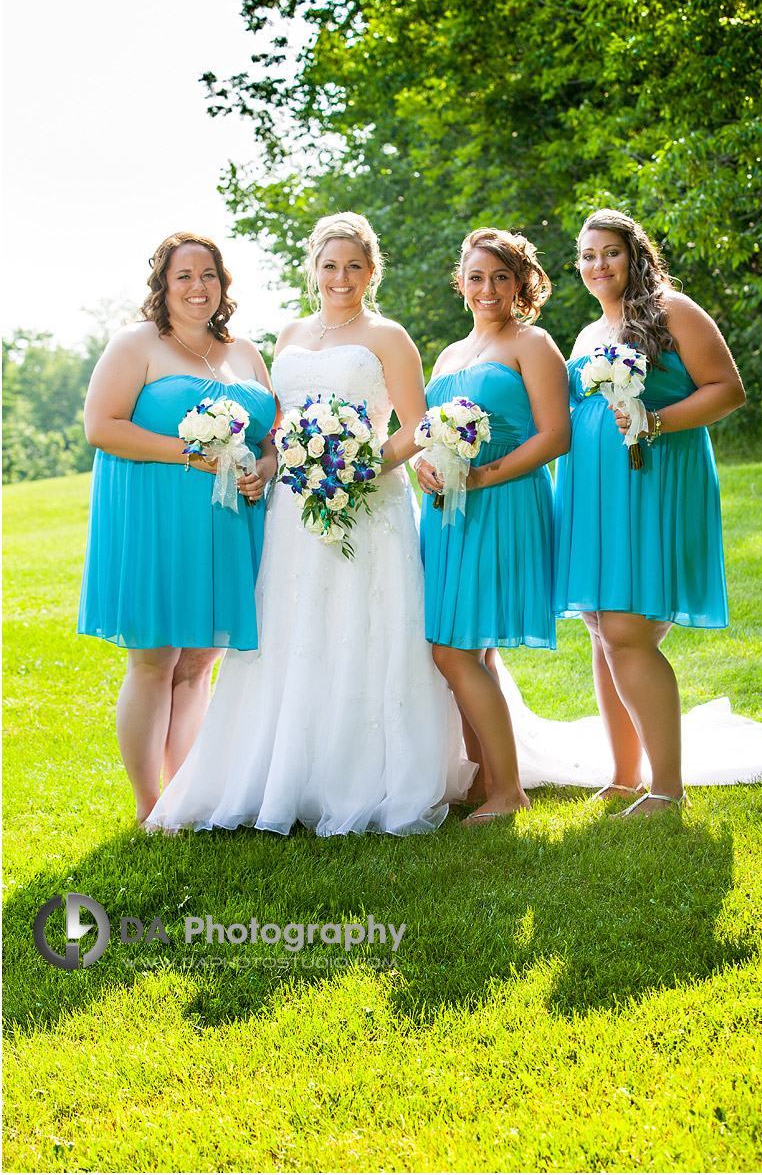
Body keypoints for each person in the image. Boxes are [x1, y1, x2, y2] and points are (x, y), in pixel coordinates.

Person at [146, 212, 474, 837]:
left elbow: (416, 426)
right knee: (293, 631)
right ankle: (283, 771)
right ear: (313, 270)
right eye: (330, 265)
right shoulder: (289, 335)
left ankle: (364, 775)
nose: (341, 277)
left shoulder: (389, 336)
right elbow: (277, 425)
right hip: (294, 510)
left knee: (365, 628)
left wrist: (355, 465)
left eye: (354, 265)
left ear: (371, 271)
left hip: (369, 502)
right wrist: (284, 464)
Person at [78, 232, 277, 824]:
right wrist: (187, 454)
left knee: (199, 661)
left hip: (228, 521)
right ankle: (148, 806)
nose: (198, 287)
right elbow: (101, 426)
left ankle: (183, 796)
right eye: (184, 276)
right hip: (156, 517)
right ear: (163, 284)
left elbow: (270, 440)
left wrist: (264, 470)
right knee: (156, 658)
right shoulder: (136, 343)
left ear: (224, 284)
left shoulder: (244, 352)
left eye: (209, 275)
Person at [553, 207, 746, 817]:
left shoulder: (673, 311)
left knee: (627, 630)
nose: (597, 264)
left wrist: (657, 420)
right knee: (600, 627)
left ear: (634, 254)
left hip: (656, 483)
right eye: (586, 255)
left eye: (608, 251)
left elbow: (727, 389)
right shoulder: (587, 336)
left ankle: (667, 787)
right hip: (596, 493)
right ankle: (624, 774)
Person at [415, 228, 571, 825]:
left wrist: (484, 477)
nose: (488, 289)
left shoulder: (533, 344)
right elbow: (433, 430)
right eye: (477, 277)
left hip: (503, 500)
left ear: (521, 283)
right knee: (466, 646)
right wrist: (430, 466)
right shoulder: (451, 354)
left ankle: (509, 791)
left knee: (452, 651)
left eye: (501, 277)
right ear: (461, 282)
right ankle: (484, 781)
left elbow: (554, 435)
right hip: (448, 511)